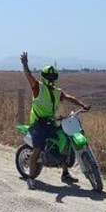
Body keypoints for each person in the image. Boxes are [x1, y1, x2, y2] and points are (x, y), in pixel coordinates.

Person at [20, 52, 90, 190]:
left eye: (53, 76)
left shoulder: (57, 91)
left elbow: (69, 97)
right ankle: (31, 178)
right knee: (37, 150)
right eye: (49, 76)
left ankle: (65, 173)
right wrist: (25, 64)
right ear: (44, 77)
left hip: (51, 122)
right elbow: (29, 76)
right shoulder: (38, 87)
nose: (51, 79)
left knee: (64, 142)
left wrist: (82, 105)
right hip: (38, 124)